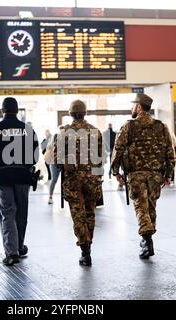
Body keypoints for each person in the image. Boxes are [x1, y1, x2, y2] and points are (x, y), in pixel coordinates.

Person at [111, 93, 175, 260]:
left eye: (133, 105)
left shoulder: (129, 126)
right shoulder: (161, 126)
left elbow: (117, 149)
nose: (131, 108)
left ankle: (146, 241)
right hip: (155, 175)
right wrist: (168, 174)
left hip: (136, 174)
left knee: (141, 207)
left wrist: (115, 171)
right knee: (151, 207)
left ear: (139, 107)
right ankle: (148, 238)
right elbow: (170, 152)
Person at [0, 97, 39, 266]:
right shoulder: (28, 129)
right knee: (21, 213)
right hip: (23, 176)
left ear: (3, 110)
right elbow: (35, 156)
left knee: (7, 213)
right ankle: (20, 246)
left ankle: (11, 252)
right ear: (17, 110)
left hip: (3, 177)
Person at [54, 100, 105, 266]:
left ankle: (84, 250)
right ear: (85, 112)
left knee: (78, 215)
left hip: (73, 180)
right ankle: (89, 246)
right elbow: (102, 158)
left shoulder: (64, 133)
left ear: (70, 113)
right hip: (92, 179)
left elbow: (57, 161)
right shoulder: (95, 131)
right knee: (90, 212)